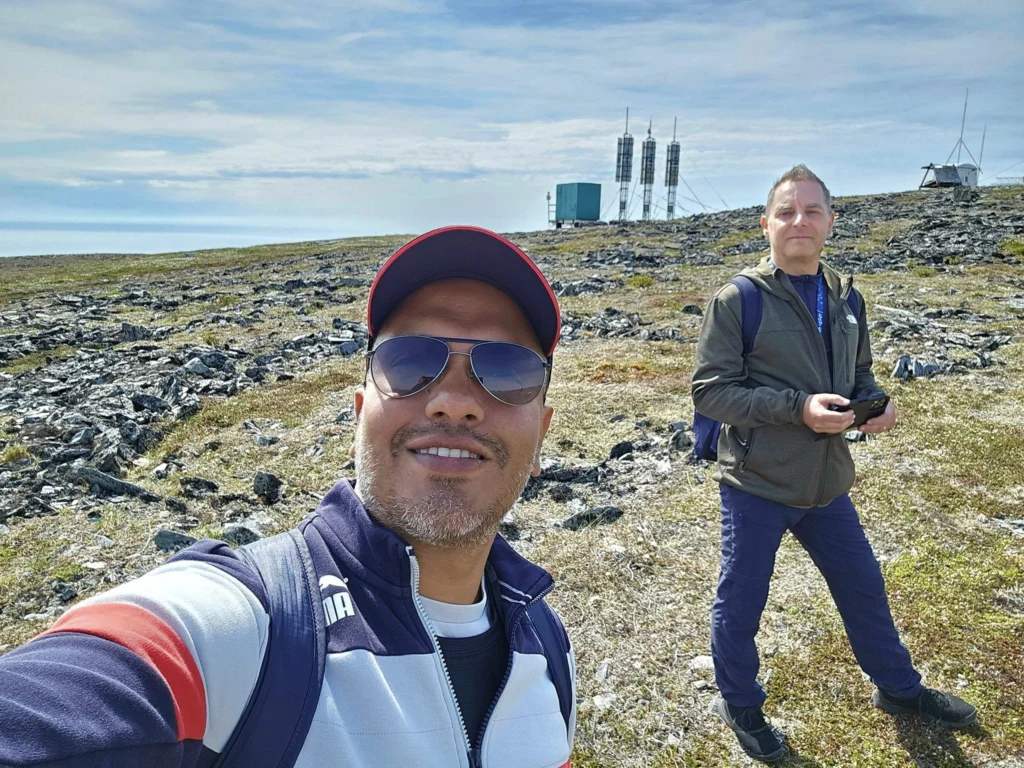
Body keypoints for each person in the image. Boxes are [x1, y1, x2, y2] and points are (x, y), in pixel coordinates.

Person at [0, 226, 575, 768]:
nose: (453, 401)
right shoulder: (246, 626)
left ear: (542, 431)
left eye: (506, 370)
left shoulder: (546, 645)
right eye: (410, 362)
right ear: (359, 414)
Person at [691, 165, 977, 763]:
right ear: (765, 224)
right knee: (742, 601)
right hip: (757, 483)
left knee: (864, 588)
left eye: (812, 211)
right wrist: (798, 408)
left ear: (830, 223)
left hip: (827, 482)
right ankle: (740, 704)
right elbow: (711, 393)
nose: (800, 222)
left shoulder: (847, 297)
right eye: (787, 212)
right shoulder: (737, 300)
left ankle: (899, 690)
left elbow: (860, 373)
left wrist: (876, 404)